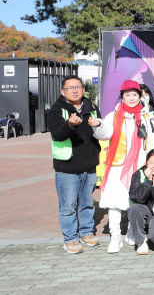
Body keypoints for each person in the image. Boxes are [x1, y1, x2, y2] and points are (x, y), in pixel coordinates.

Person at [90, 80, 154, 253]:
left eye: (135, 94)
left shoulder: (146, 116)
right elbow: (105, 134)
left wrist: (151, 163)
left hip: (139, 165)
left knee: (135, 199)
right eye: (128, 95)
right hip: (118, 165)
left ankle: (132, 231)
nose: (132, 98)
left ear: (140, 96)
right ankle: (115, 237)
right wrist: (98, 125)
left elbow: (152, 140)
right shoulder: (113, 115)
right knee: (114, 201)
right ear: (122, 97)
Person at [48, 75, 102, 254]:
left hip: (89, 165)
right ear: (63, 92)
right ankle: (70, 238)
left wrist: (99, 125)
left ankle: (86, 232)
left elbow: (100, 132)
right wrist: (69, 125)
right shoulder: (56, 110)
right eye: (69, 88)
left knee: (87, 203)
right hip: (67, 167)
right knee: (68, 206)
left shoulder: (92, 108)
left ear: (83, 90)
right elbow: (56, 134)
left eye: (77, 87)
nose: (74, 90)